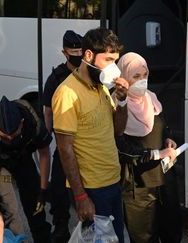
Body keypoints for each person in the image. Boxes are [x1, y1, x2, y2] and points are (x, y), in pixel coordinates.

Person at [52, 28, 129, 243]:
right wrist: (80, 196)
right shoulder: (67, 93)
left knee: (117, 239)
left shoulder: (102, 87)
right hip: (92, 189)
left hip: (112, 181)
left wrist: (122, 102)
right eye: (109, 60)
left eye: (116, 61)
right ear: (88, 56)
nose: (114, 68)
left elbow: (118, 131)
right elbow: (65, 149)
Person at [0, 96, 52, 243]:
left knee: (35, 204)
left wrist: (43, 189)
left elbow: (44, 153)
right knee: (10, 210)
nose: (10, 139)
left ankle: (43, 239)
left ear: (21, 124)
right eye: (5, 136)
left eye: (14, 135)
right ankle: (16, 240)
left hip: (22, 157)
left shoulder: (32, 121)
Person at [114, 52, 179, 243]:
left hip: (164, 180)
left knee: (171, 232)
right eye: (136, 76)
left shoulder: (151, 98)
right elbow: (120, 148)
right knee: (144, 238)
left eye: (145, 75)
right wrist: (156, 154)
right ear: (123, 77)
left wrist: (169, 139)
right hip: (138, 187)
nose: (142, 81)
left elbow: (162, 126)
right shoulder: (117, 106)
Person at [42, 29, 82, 242]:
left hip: (85, 143)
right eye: (73, 51)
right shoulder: (56, 77)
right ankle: (61, 226)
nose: (78, 54)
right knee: (59, 187)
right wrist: (47, 135)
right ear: (64, 53)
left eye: (80, 50)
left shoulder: (88, 73)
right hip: (64, 142)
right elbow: (48, 110)